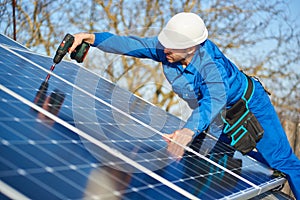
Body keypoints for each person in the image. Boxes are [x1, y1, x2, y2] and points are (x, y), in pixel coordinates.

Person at [69, 12, 300, 198]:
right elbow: (131, 44)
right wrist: (92, 38)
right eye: (165, 44)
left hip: (249, 106)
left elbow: (214, 100)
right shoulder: (167, 49)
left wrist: (189, 130)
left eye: (172, 47)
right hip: (215, 117)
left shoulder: (212, 67)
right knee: (212, 158)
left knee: (283, 161)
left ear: (192, 48)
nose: (165, 50)